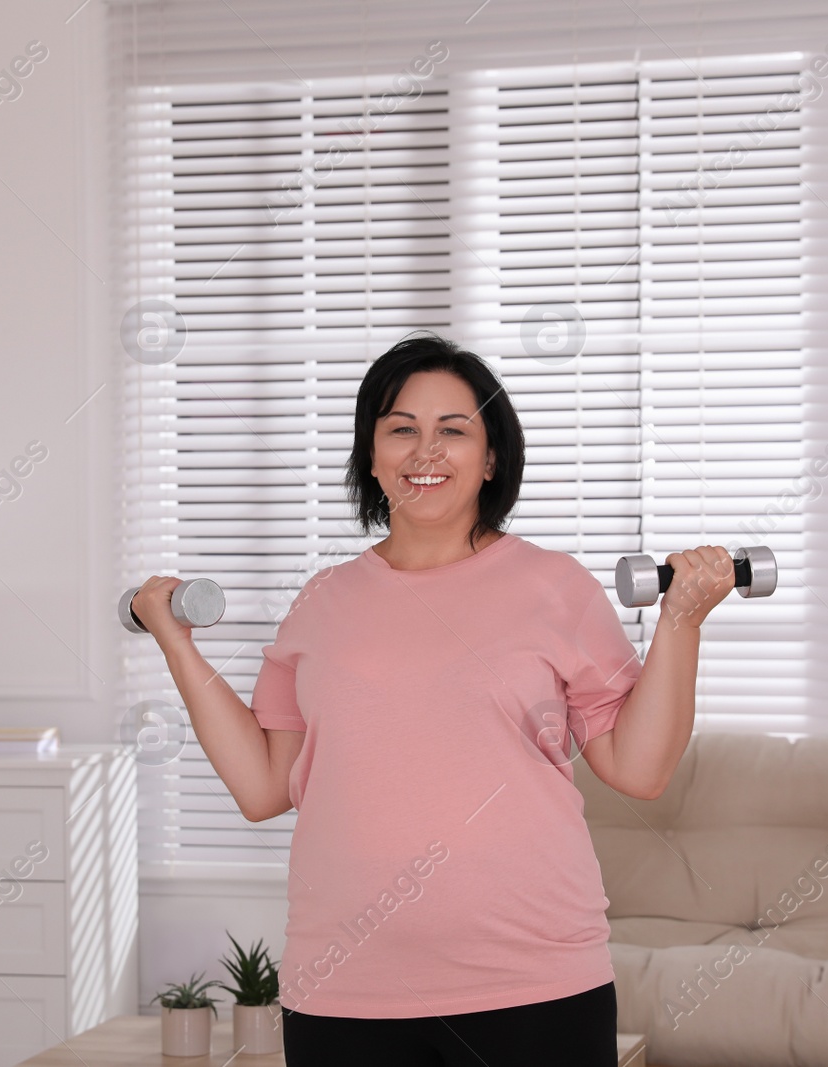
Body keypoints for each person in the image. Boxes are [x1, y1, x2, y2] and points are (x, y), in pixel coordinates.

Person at [130, 332, 735, 1066]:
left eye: (453, 430)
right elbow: (262, 786)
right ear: (372, 453)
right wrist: (174, 641)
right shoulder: (324, 602)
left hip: (532, 983)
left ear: (491, 458)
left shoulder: (554, 587)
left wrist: (680, 622)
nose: (426, 451)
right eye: (401, 430)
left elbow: (640, 770)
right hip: (344, 986)